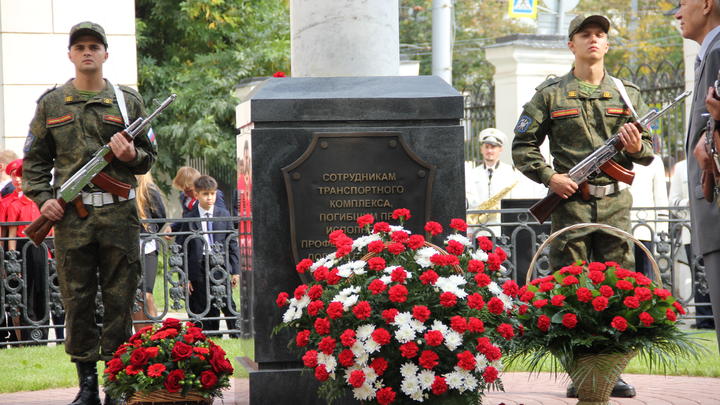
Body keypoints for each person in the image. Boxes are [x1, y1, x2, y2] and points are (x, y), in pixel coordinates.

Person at [512, 15, 654, 398]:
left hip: (615, 206)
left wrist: (636, 146)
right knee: (571, 290)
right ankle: (579, 371)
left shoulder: (627, 94)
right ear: (571, 44)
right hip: (570, 206)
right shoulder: (551, 94)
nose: (594, 40)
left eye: (600, 35)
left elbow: (648, 152)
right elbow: (523, 146)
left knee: (618, 288)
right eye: (585, 35)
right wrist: (549, 178)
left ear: (606, 45)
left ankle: (612, 371)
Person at [22, 22, 156, 405]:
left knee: (119, 300)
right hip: (71, 220)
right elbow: (34, 162)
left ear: (105, 54)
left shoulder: (127, 102)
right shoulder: (51, 104)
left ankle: (115, 384)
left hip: (118, 216)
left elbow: (149, 158)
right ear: (70, 54)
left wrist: (131, 156)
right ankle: (86, 387)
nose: (87, 52)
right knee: (76, 300)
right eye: (79, 46)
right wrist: (42, 197)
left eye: (94, 46)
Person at [675, 0, 720, 351]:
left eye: (682, 3)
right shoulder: (709, 52)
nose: (677, 13)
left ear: (706, 5)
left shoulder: (718, 49)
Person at [179, 175, 239, 334]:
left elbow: (232, 243)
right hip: (197, 266)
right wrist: (184, 277)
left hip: (219, 263)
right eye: (205, 194)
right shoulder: (189, 218)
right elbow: (182, 248)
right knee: (200, 303)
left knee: (226, 301)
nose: (210, 198)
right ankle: (207, 335)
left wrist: (236, 271)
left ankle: (237, 333)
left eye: (212, 194)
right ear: (196, 195)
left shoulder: (223, 214)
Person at [5, 159, 50, 344]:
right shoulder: (15, 204)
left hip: (44, 250)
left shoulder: (43, 202)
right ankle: (28, 337)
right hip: (25, 252)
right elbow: (12, 235)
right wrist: (12, 260)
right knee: (27, 296)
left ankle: (44, 336)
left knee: (45, 294)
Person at [670, 159, 715, 329]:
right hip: (692, 231)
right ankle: (703, 320)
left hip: (715, 229)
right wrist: (688, 203)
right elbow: (672, 202)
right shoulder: (681, 167)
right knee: (699, 278)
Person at [465, 128, 520, 235]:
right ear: (481, 149)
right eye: (486, 147)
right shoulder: (473, 173)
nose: (489, 151)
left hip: (501, 229)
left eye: (493, 147)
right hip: (478, 229)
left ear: (500, 149)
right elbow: (470, 202)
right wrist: (470, 229)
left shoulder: (510, 172)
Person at [132, 173, 166, 332]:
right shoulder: (123, 186)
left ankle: (154, 332)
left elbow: (160, 217)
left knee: (147, 293)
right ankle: (140, 334)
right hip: (128, 246)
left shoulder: (149, 189)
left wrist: (151, 231)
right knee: (135, 296)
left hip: (147, 247)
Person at [629, 154, 669, 277]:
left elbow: (661, 198)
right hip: (617, 230)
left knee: (644, 279)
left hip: (644, 231)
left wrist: (662, 234)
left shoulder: (654, 160)